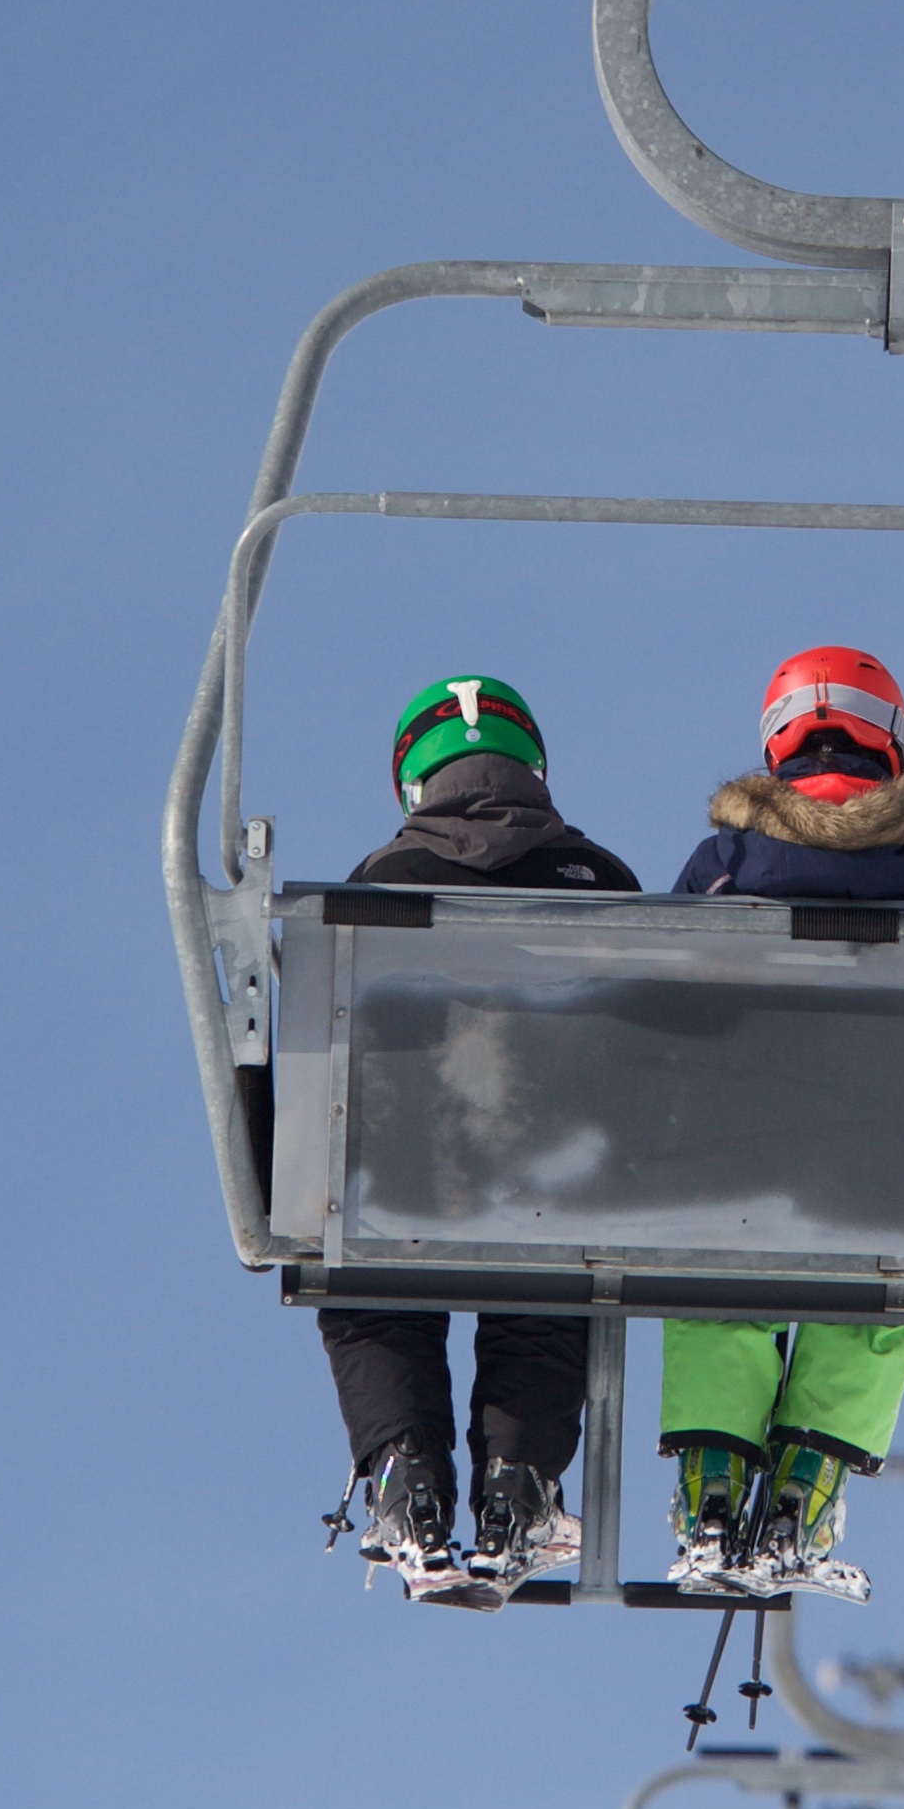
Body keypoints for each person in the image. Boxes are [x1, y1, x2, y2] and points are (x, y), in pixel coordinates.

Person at [656, 646, 904, 1600]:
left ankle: (713, 1498)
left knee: (724, 1289)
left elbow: (662, 991)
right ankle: (803, 1498)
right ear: (888, 739)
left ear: (778, 741)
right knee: (880, 1301)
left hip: (741, 1138)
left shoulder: (726, 864)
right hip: (894, 1143)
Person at [319, 675, 639, 1610]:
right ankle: (520, 1484)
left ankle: (404, 1480)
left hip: (409, 1164)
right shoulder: (602, 879)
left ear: (413, 782)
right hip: (555, 1161)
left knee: (371, 1286)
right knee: (545, 1294)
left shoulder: (377, 885)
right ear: (532, 765)